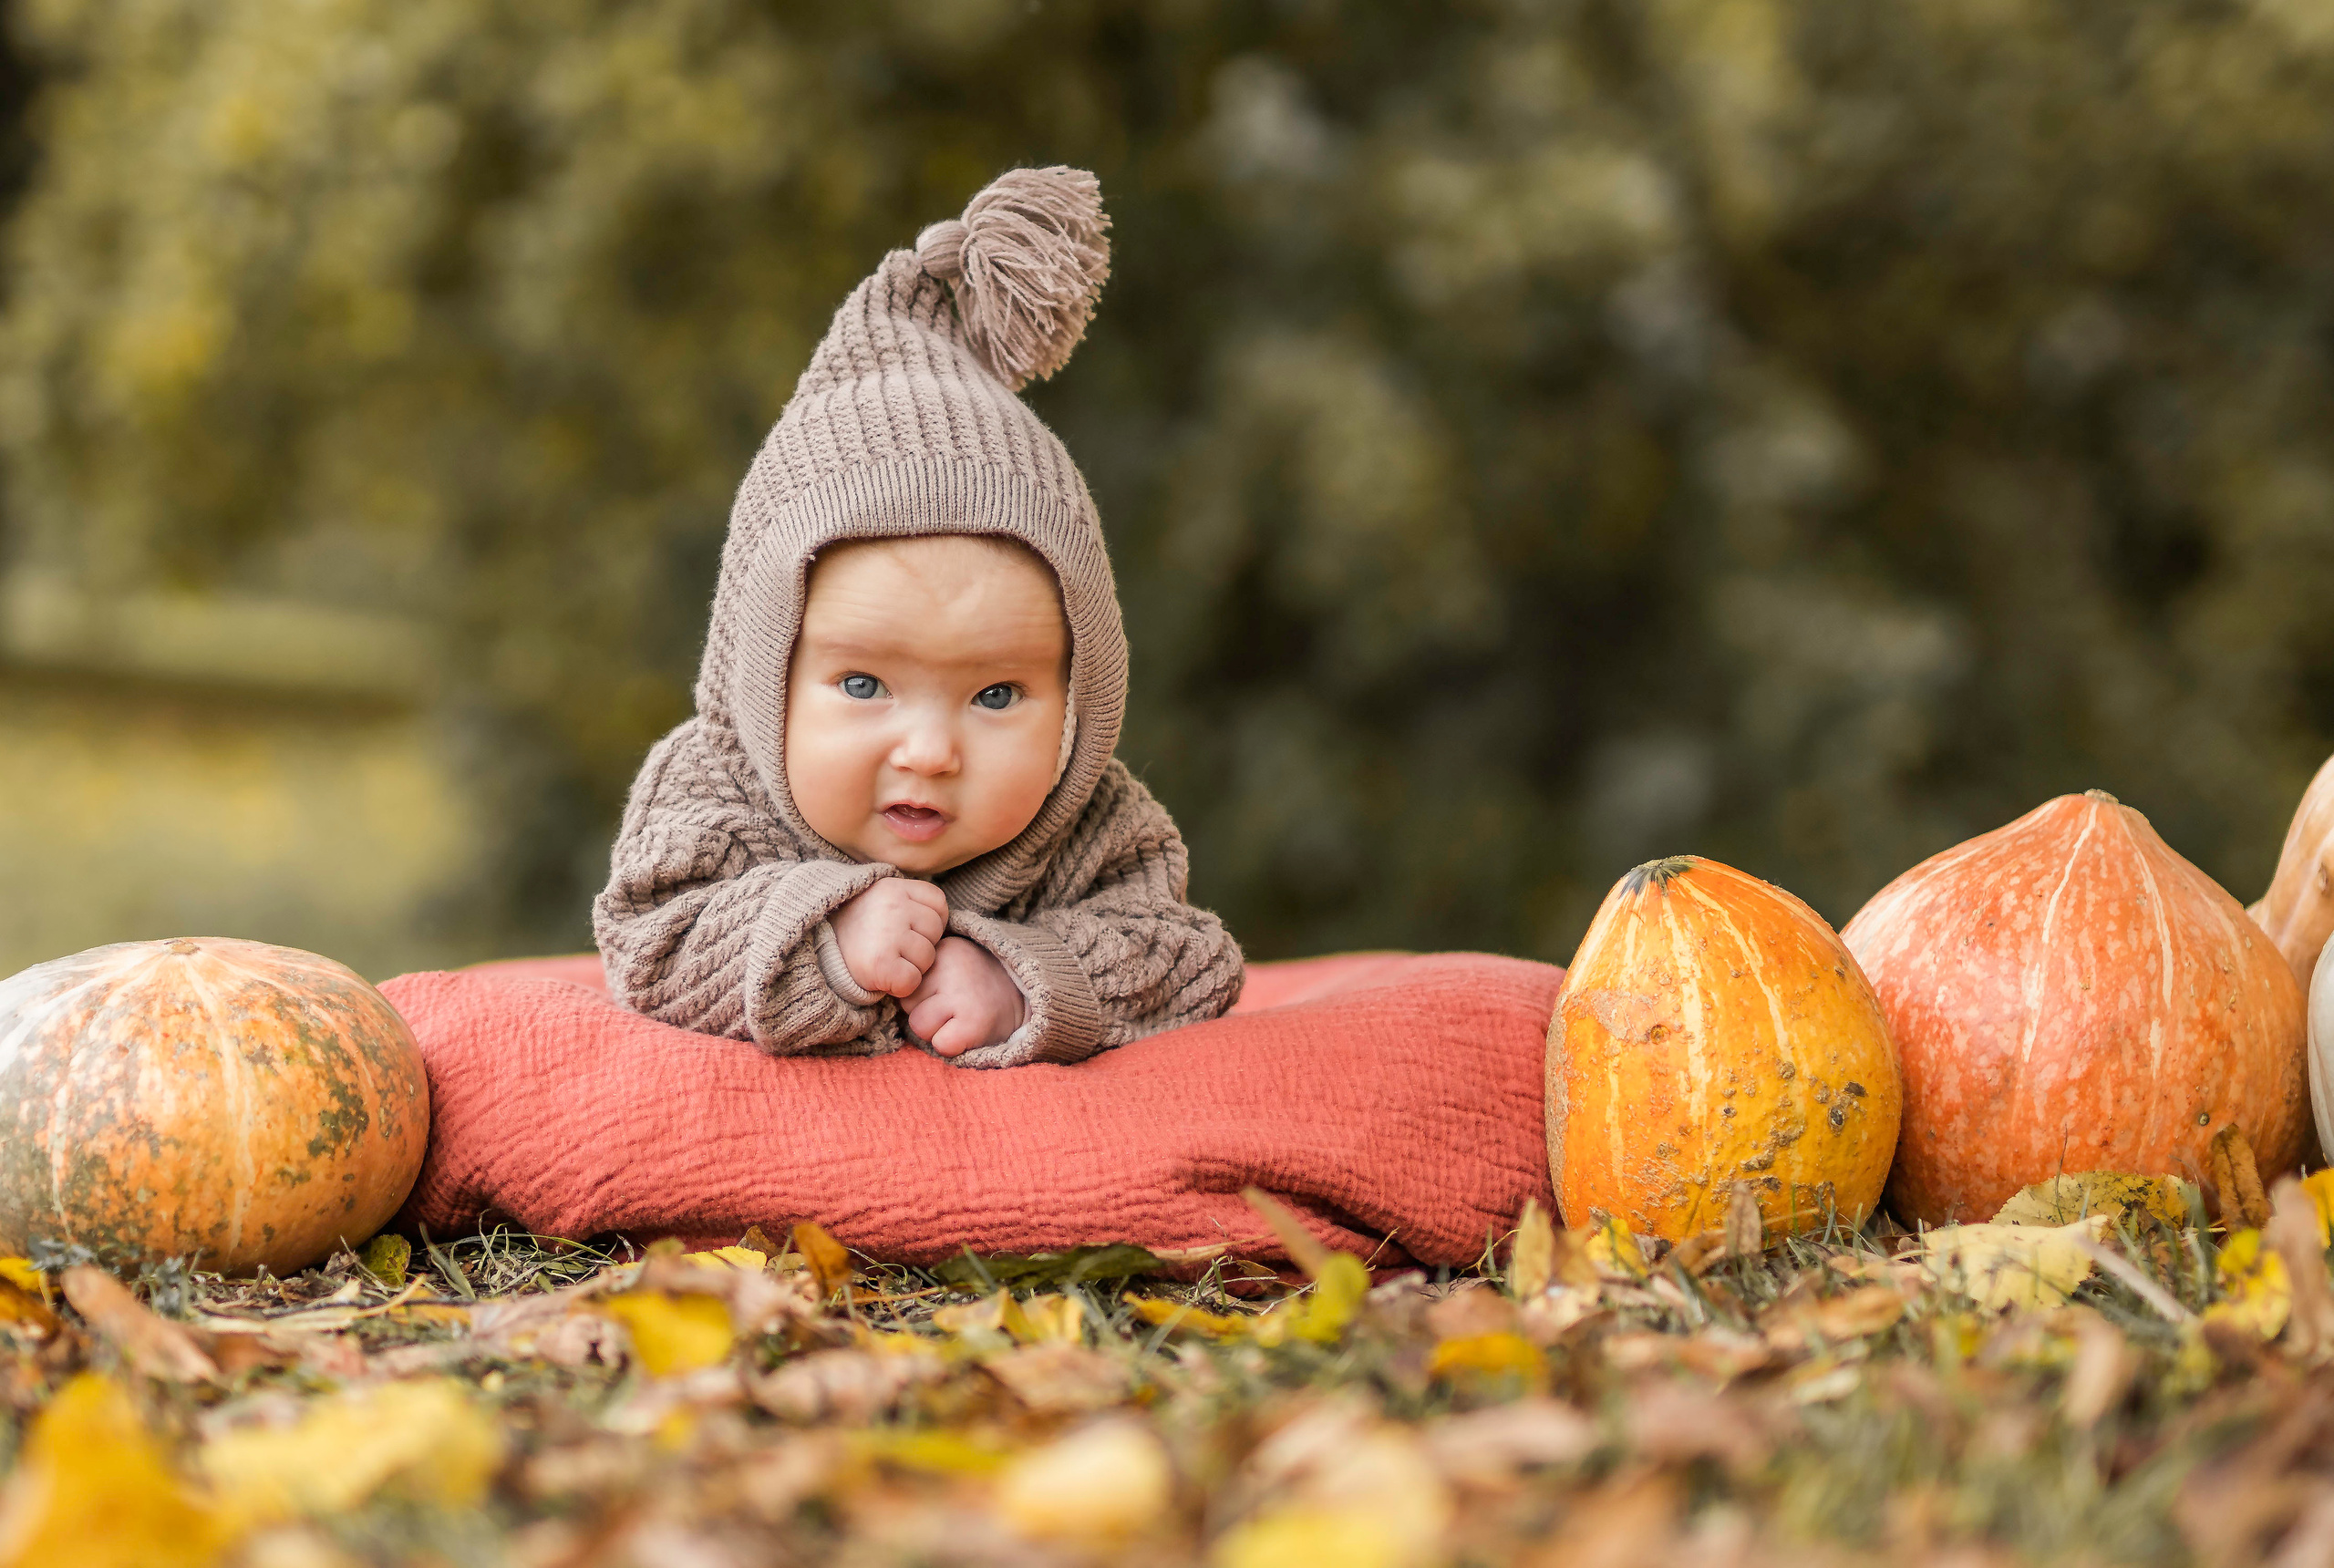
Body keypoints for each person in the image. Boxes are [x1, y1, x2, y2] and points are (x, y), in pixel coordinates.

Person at [593, 167, 1244, 1068]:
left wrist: (1020, 978)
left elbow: (1187, 961)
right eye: (863, 684)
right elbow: (648, 942)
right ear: (763, 674)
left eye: (997, 694)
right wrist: (828, 940)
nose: (931, 751)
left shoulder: (1093, 827)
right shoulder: (713, 793)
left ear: (1080, 694)